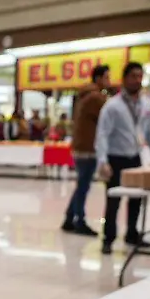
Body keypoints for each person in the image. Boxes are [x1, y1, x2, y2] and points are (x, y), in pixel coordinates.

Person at [95, 62, 150, 254]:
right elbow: (102, 135)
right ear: (124, 79)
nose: (137, 80)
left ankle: (132, 233)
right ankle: (108, 238)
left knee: (136, 199)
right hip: (116, 158)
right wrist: (102, 161)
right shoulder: (112, 106)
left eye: (140, 76)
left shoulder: (147, 103)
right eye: (133, 76)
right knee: (113, 201)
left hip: (135, 157)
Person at [63, 64, 111, 236]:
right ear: (98, 78)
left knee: (81, 184)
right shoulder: (95, 98)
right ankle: (79, 221)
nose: (109, 81)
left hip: (80, 146)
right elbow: (109, 119)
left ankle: (69, 218)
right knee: (83, 185)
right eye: (106, 77)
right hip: (89, 147)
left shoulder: (82, 95)